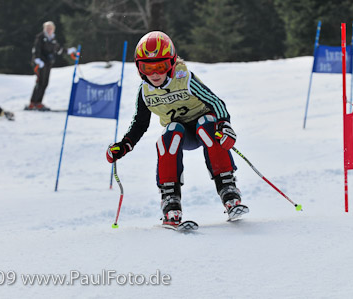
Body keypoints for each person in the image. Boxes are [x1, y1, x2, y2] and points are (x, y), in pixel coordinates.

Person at [106, 31, 248, 226]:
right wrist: (123, 146)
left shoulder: (184, 78)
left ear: (171, 63)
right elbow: (140, 124)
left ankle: (228, 189)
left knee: (205, 123)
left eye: (161, 66)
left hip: (204, 128)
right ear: (139, 68)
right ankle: (170, 199)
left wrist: (224, 126)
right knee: (170, 133)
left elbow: (216, 102)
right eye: (147, 68)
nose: (154, 74)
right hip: (182, 134)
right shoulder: (145, 91)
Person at [27, 21, 76, 111]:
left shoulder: (52, 39)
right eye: (47, 28)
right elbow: (36, 49)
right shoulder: (40, 37)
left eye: (51, 28)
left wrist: (68, 51)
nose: (49, 30)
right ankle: (32, 102)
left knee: (45, 82)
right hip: (40, 63)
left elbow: (58, 49)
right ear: (44, 29)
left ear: (53, 30)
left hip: (48, 64)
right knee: (40, 82)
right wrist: (37, 60)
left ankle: (38, 102)